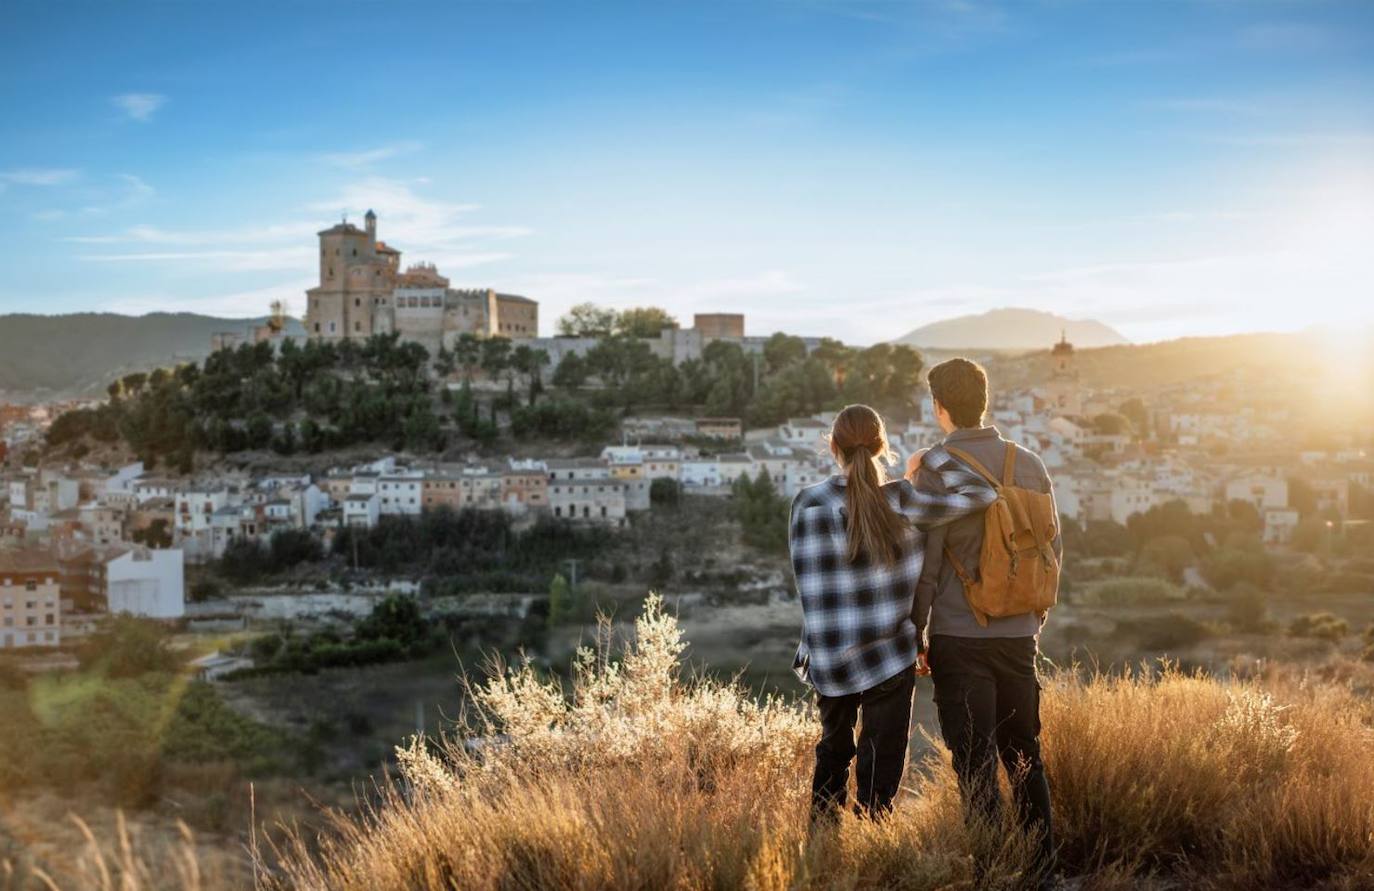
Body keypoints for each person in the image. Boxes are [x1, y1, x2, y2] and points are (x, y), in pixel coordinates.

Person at [790, 403, 998, 821]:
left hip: (829, 655)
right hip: (889, 656)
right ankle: (873, 840)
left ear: (833, 447)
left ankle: (822, 847)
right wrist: (934, 453)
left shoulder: (806, 503)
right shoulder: (902, 500)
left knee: (833, 751)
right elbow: (983, 494)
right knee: (880, 764)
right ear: (882, 447)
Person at [910, 358, 1061, 886]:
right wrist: (1033, 617)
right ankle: (1043, 873)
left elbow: (927, 566)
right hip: (1020, 635)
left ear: (940, 408)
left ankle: (993, 873)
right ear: (986, 400)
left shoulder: (934, 467)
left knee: (975, 767)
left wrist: (917, 633)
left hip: (960, 635)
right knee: (1026, 758)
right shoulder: (1030, 463)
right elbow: (1049, 548)